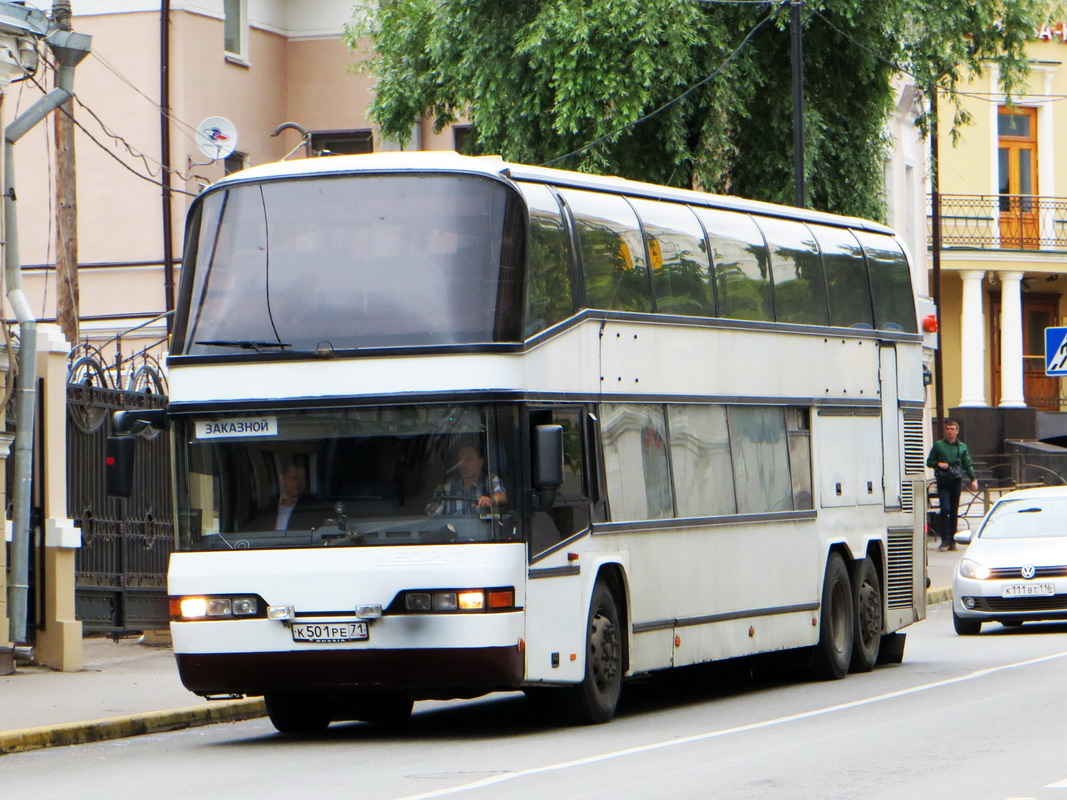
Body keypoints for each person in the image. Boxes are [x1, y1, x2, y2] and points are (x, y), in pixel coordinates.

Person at [926, 419, 978, 552]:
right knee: (945, 509)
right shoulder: (939, 445)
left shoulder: (962, 447)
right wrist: (938, 464)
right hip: (943, 481)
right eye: (948, 429)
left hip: (955, 481)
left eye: (952, 429)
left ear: (957, 431)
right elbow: (929, 461)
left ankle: (952, 539)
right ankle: (944, 539)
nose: (950, 431)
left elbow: (967, 464)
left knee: (954, 511)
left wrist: (973, 479)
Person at [426, 443, 506, 516]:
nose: (463, 463)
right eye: (460, 459)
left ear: (480, 462)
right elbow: (431, 519)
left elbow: (501, 496)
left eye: (468, 459)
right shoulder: (445, 488)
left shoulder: (490, 481)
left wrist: (491, 500)